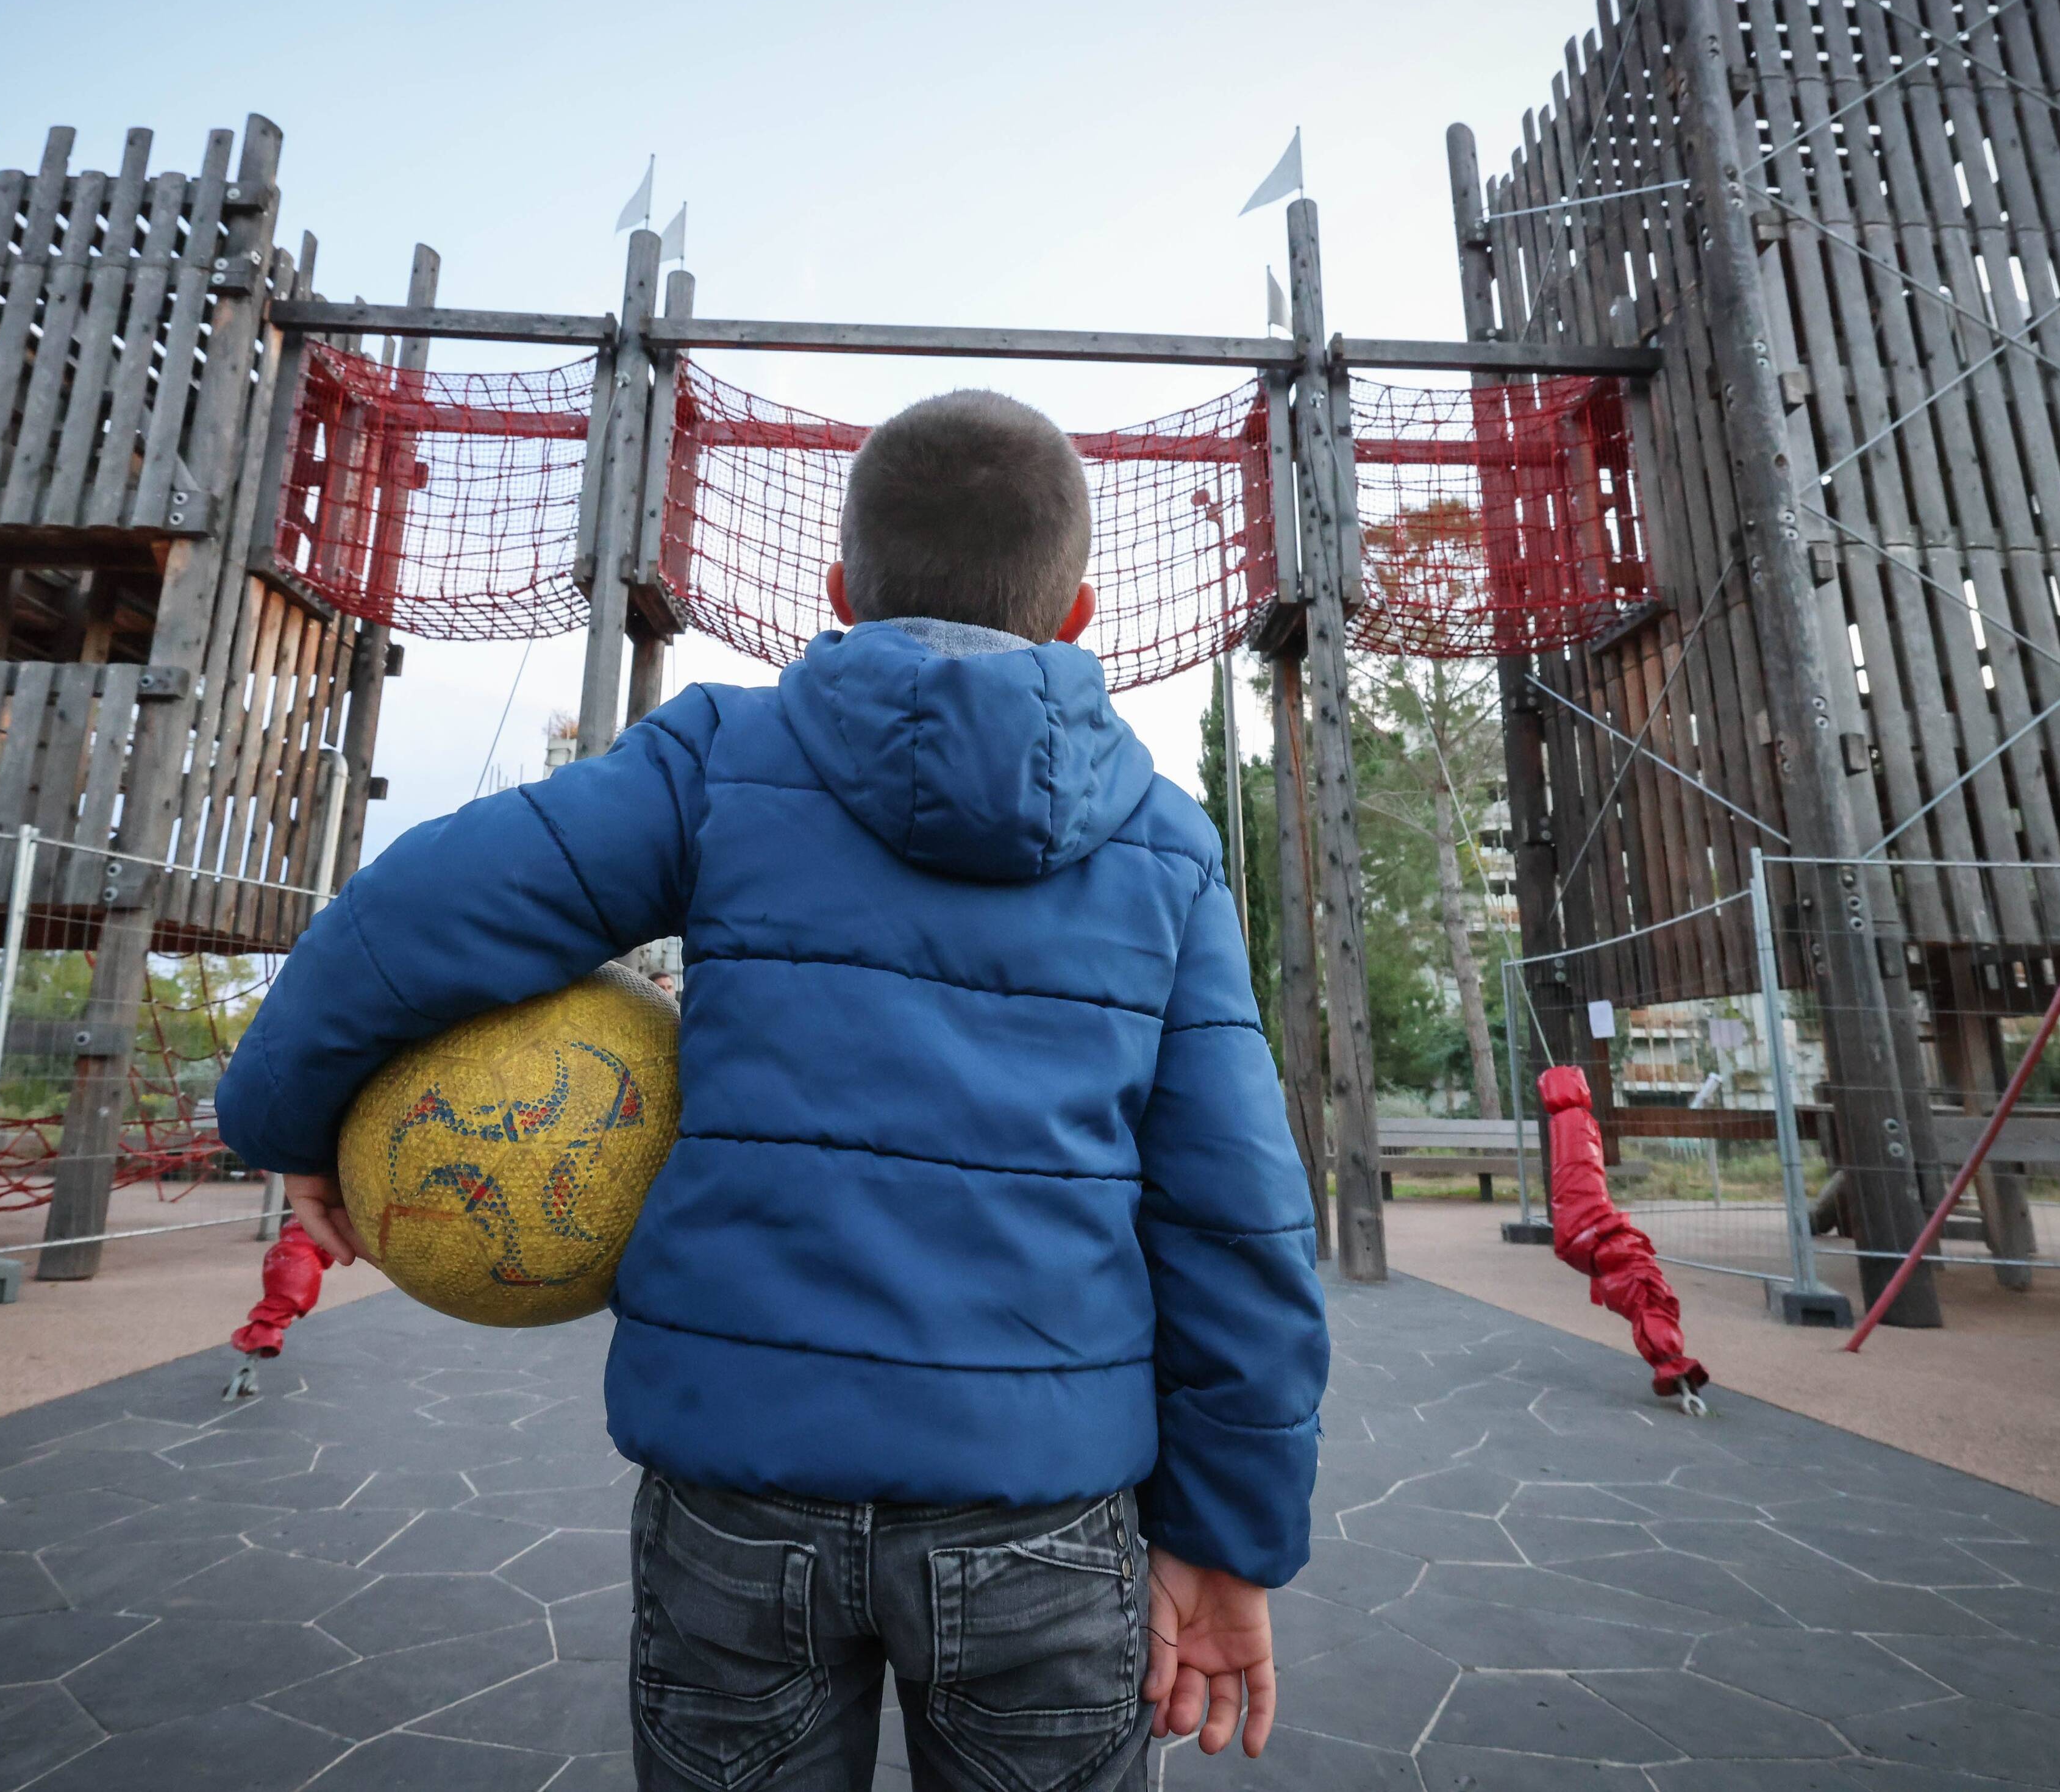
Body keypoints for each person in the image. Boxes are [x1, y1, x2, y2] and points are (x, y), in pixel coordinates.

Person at [217, 389, 1328, 1791]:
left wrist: (283, 1115)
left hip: (740, 1500)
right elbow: (1238, 1216)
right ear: (1081, 613)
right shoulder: (1162, 846)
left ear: (839, 590)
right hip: (1039, 1504)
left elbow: (417, 911)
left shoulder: (724, 760)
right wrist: (1230, 1535)